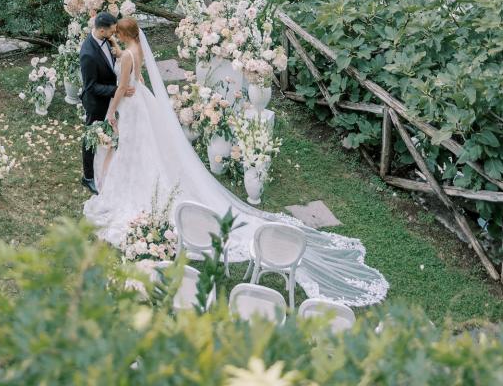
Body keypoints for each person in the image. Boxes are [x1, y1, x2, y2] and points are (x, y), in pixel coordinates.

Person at [83, 17, 389, 308]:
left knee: (133, 149)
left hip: (132, 105)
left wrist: (111, 112)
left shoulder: (125, 57)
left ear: (124, 35)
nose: (114, 39)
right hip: (143, 102)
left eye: (117, 35)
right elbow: (133, 69)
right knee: (142, 151)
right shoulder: (135, 49)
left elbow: (123, 87)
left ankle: (133, 190)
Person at [79, 11, 133, 193]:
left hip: (111, 98)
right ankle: (87, 177)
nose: (114, 34)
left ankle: (107, 165)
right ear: (101, 30)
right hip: (96, 102)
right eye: (112, 31)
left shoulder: (107, 40)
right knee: (91, 137)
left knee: (109, 132)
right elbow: (90, 87)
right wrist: (119, 90)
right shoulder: (88, 53)